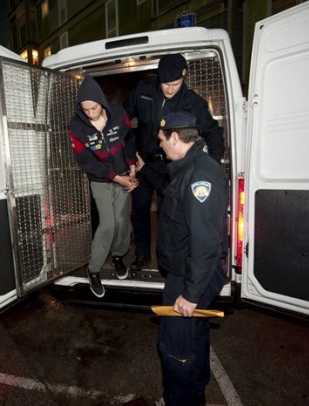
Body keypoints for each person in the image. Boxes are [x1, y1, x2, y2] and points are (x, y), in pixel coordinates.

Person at [138, 111, 228, 405]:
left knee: (175, 347)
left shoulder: (199, 176)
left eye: (162, 140)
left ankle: (180, 400)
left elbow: (205, 242)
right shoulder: (189, 165)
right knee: (194, 335)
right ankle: (196, 390)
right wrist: (145, 169)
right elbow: (169, 191)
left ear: (175, 138)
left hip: (191, 275)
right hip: (189, 271)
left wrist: (190, 294)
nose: (160, 146)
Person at [123, 53, 225, 271]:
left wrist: (210, 167)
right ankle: (142, 255)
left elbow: (213, 133)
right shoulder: (144, 90)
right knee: (139, 210)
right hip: (142, 162)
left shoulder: (192, 102)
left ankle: (166, 260)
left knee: (167, 214)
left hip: (169, 169)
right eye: (165, 83)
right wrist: (131, 154)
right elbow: (122, 121)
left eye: (175, 84)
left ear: (184, 78)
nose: (169, 89)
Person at [68, 75, 138, 298]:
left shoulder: (118, 115)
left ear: (102, 102)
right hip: (101, 181)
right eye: (85, 109)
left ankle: (118, 256)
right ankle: (94, 269)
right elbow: (86, 161)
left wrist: (132, 165)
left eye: (94, 108)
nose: (90, 113)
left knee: (121, 222)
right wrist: (115, 177)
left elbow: (129, 141)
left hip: (125, 176)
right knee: (107, 224)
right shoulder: (77, 127)